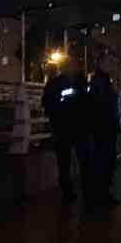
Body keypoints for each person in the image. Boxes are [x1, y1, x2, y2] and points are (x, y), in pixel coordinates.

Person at [42, 55, 90, 202]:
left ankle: (71, 193)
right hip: (70, 128)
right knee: (78, 161)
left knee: (68, 162)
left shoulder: (58, 83)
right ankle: (79, 192)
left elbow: (47, 104)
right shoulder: (74, 83)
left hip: (67, 128)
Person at [85, 57, 121, 204]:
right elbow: (101, 105)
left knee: (105, 161)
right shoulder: (100, 82)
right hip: (104, 128)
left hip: (104, 128)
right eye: (108, 64)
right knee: (105, 161)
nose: (110, 66)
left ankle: (101, 193)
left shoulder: (102, 81)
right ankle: (101, 194)